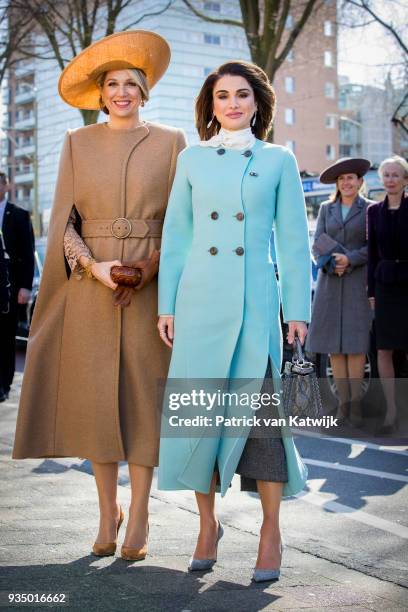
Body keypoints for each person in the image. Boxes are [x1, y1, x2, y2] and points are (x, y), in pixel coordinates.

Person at [13, 31, 186, 560]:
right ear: (100, 92)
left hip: (150, 291)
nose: (121, 92)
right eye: (112, 84)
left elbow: (183, 221)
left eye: (131, 83)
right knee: (96, 407)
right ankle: (106, 512)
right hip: (92, 289)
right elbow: (62, 220)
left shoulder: (173, 141)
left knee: (141, 402)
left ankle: (140, 514)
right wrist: (94, 266)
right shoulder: (75, 143)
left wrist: (151, 267)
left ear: (144, 90)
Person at [157, 61, 311, 582]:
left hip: (255, 305)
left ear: (258, 102)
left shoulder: (277, 160)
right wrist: (167, 305)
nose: (232, 104)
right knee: (201, 418)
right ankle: (206, 525)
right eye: (222, 95)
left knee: (263, 422)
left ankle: (271, 530)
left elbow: (293, 242)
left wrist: (298, 311)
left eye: (242, 94)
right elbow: (176, 238)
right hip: (200, 302)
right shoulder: (192, 160)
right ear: (211, 104)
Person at [306, 158, 374, 427]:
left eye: (351, 178)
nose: (346, 183)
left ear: (359, 182)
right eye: (342, 179)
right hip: (330, 284)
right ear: (337, 184)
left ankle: (356, 409)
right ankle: (343, 407)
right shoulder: (325, 208)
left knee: (356, 347)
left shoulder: (370, 210)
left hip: (357, 283)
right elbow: (317, 244)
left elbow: (374, 246)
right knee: (334, 347)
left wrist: (351, 259)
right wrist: (335, 261)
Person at [367, 155, 408, 435]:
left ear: (405, 180)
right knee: (384, 349)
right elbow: (371, 255)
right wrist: (371, 291)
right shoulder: (374, 212)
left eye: (396, 175)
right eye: (387, 175)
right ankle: (391, 411)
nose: (391, 179)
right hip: (384, 286)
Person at [0, 172, 34, 402]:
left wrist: (25, 287)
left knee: (5, 337)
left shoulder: (19, 215)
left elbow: (28, 253)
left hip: (10, 290)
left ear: (6, 185)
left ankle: (4, 384)